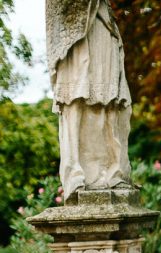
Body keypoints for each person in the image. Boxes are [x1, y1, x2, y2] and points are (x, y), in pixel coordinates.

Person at [46, 0, 132, 202]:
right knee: (76, 97)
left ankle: (111, 172)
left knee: (108, 102)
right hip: (75, 31)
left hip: (102, 24)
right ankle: (77, 176)